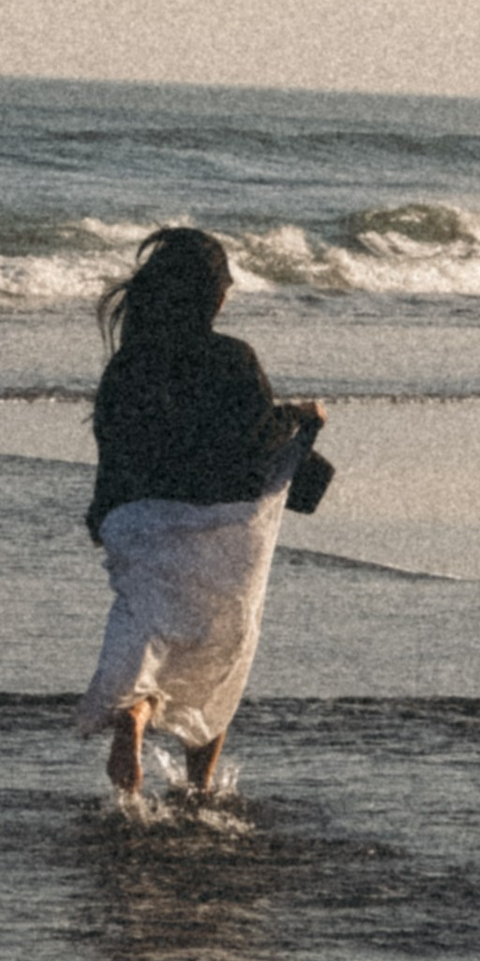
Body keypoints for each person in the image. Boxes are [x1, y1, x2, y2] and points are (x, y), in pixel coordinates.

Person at [76, 225, 328, 801]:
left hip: (141, 521)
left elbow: (112, 449)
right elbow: (257, 443)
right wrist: (304, 420)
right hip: (218, 529)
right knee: (222, 645)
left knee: (150, 632)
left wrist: (102, 516)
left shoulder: (127, 367)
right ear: (212, 295)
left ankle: (136, 715)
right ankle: (200, 787)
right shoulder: (232, 358)